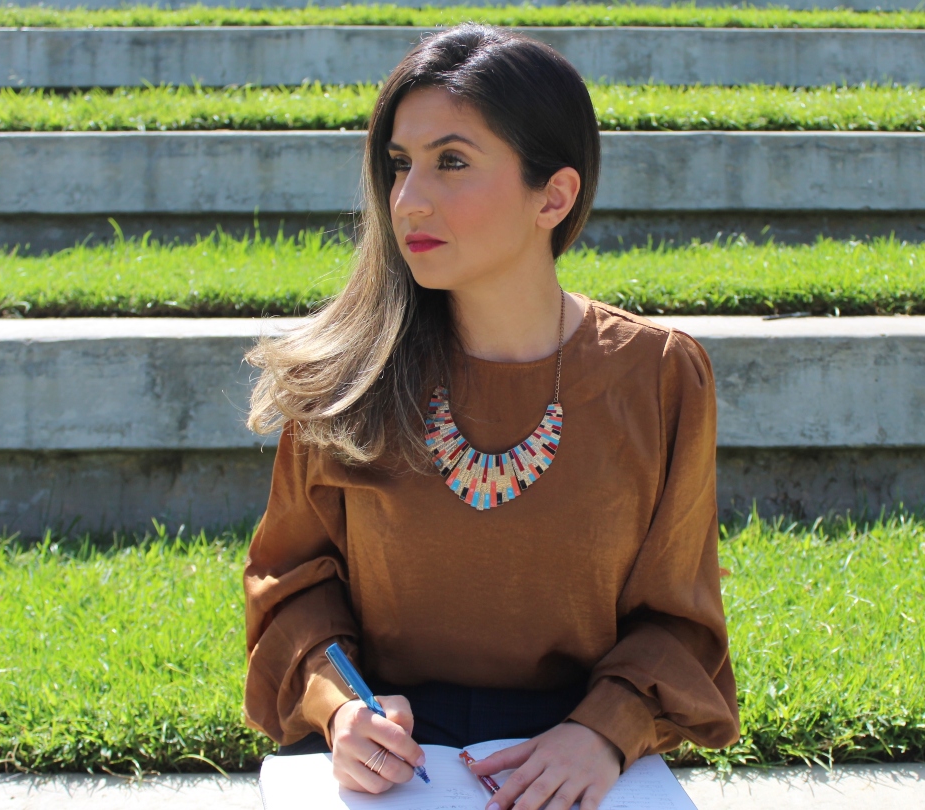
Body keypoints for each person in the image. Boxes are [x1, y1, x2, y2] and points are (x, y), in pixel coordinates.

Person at [242, 24, 739, 810]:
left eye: (453, 162)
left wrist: (604, 731)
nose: (409, 198)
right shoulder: (343, 372)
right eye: (399, 165)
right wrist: (343, 711)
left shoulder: (658, 375)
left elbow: (679, 619)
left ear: (555, 194)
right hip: (392, 768)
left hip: (578, 763)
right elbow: (293, 587)